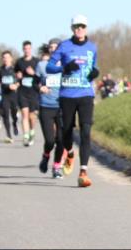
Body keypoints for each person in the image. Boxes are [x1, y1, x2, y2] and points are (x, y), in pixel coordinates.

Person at [47, 15, 99, 188]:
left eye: (82, 26)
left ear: (86, 28)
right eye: (76, 26)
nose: (79, 29)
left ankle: (83, 171)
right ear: (72, 28)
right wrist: (64, 67)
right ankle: (69, 152)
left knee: (86, 131)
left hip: (85, 94)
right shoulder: (64, 46)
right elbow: (49, 67)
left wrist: (94, 73)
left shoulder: (92, 47)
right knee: (66, 132)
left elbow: (94, 67)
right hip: (67, 95)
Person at [37, 45, 65, 177]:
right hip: (46, 106)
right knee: (50, 141)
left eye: (56, 47)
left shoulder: (66, 65)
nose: (54, 50)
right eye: (52, 48)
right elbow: (34, 82)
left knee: (61, 139)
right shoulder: (42, 65)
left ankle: (56, 167)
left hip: (62, 107)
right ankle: (46, 155)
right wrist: (40, 87)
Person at [15, 40, 41, 146]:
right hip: (22, 92)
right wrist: (18, 76)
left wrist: (33, 73)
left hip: (34, 92)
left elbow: (40, 76)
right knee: (24, 114)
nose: (27, 50)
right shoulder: (19, 62)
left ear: (31, 49)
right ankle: (25, 136)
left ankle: (32, 131)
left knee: (32, 116)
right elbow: (15, 73)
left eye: (29, 48)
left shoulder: (36, 61)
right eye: (25, 49)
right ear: (23, 49)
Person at [0, 51, 19, 143]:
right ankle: (8, 135)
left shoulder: (15, 69)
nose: (6, 59)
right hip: (5, 95)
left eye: (7, 57)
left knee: (14, 113)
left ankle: (15, 124)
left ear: (11, 58)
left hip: (14, 95)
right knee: (5, 114)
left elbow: (19, 80)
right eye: (4, 57)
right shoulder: (0, 70)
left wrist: (16, 85)